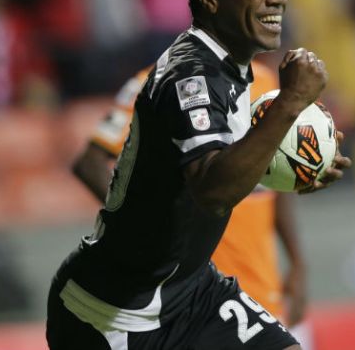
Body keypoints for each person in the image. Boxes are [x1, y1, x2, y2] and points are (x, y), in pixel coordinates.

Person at [46, 0, 351, 350]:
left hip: (193, 290)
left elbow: (236, 165)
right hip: (114, 314)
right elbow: (213, 189)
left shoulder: (238, 71)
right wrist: (291, 103)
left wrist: (300, 167)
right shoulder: (190, 76)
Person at [71, 59, 313, 343]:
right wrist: (153, 226)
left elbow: (274, 177)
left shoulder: (265, 80)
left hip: (263, 296)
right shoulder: (157, 81)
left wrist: (297, 262)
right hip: (194, 307)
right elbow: (90, 163)